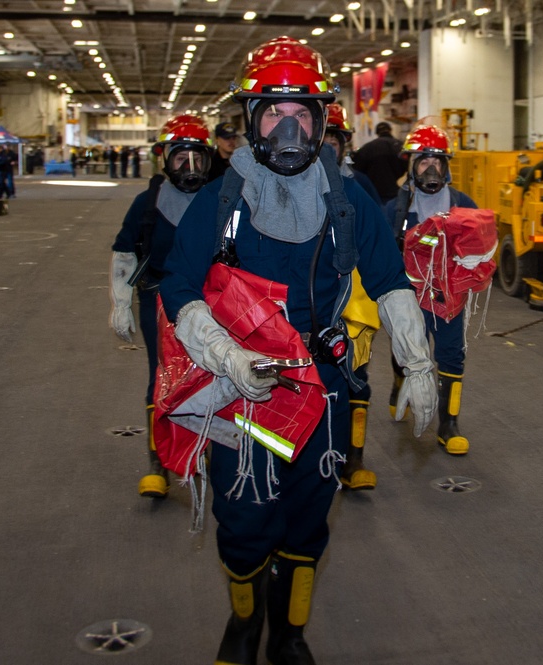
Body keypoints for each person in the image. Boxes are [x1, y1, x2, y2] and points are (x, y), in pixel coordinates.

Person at [160, 36, 437, 665]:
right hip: (241, 388)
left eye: (303, 113)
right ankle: (244, 624)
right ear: (251, 122)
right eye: (273, 114)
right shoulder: (219, 202)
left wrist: (418, 363)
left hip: (326, 385)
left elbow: (391, 281)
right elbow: (177, 285)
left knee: (310, 515)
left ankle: (289, 634)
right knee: (244, 519)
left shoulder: (349, 201)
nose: (289, 127)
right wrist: (225, 356)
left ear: (321, 120)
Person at [109, 116, 216, 499]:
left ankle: (205, 449)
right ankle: (158, 463)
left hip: (210, 301)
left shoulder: (220, 199)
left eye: (196, 159)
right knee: (162, 375)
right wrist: (120, 303)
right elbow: (124, 252)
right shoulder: (147, 204)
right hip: (157, 299)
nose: (189, 168)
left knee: (212, 372)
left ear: (209, 160)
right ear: (163, 160)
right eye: (179, 158)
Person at [385, 125, 478, 456]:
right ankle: (400, 383)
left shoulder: (463, 205)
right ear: (411, 164)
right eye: (423, 161)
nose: (431, 168)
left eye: (438, 161)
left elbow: (480, 248)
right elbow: (380, 253)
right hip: (409, 297)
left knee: (452, 354)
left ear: (447, 166)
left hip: (449, 296)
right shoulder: (396, 210)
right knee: (407, 351)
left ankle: (448, 424)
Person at [323, 103, 382, 491]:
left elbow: (379, 247)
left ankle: (354, 459)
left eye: (334, 141)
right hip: (308, 303)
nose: (326, 149)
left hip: (355, 303)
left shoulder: (360, 188)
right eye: (321, 140)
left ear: (345, 144)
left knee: (355, 377)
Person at [351, 120, 406, 204]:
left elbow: (355, 171)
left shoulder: (367, 148)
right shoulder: (402, 147)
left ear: (377, 133)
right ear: (390, 130)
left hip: (375, 196)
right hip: (399, 195)